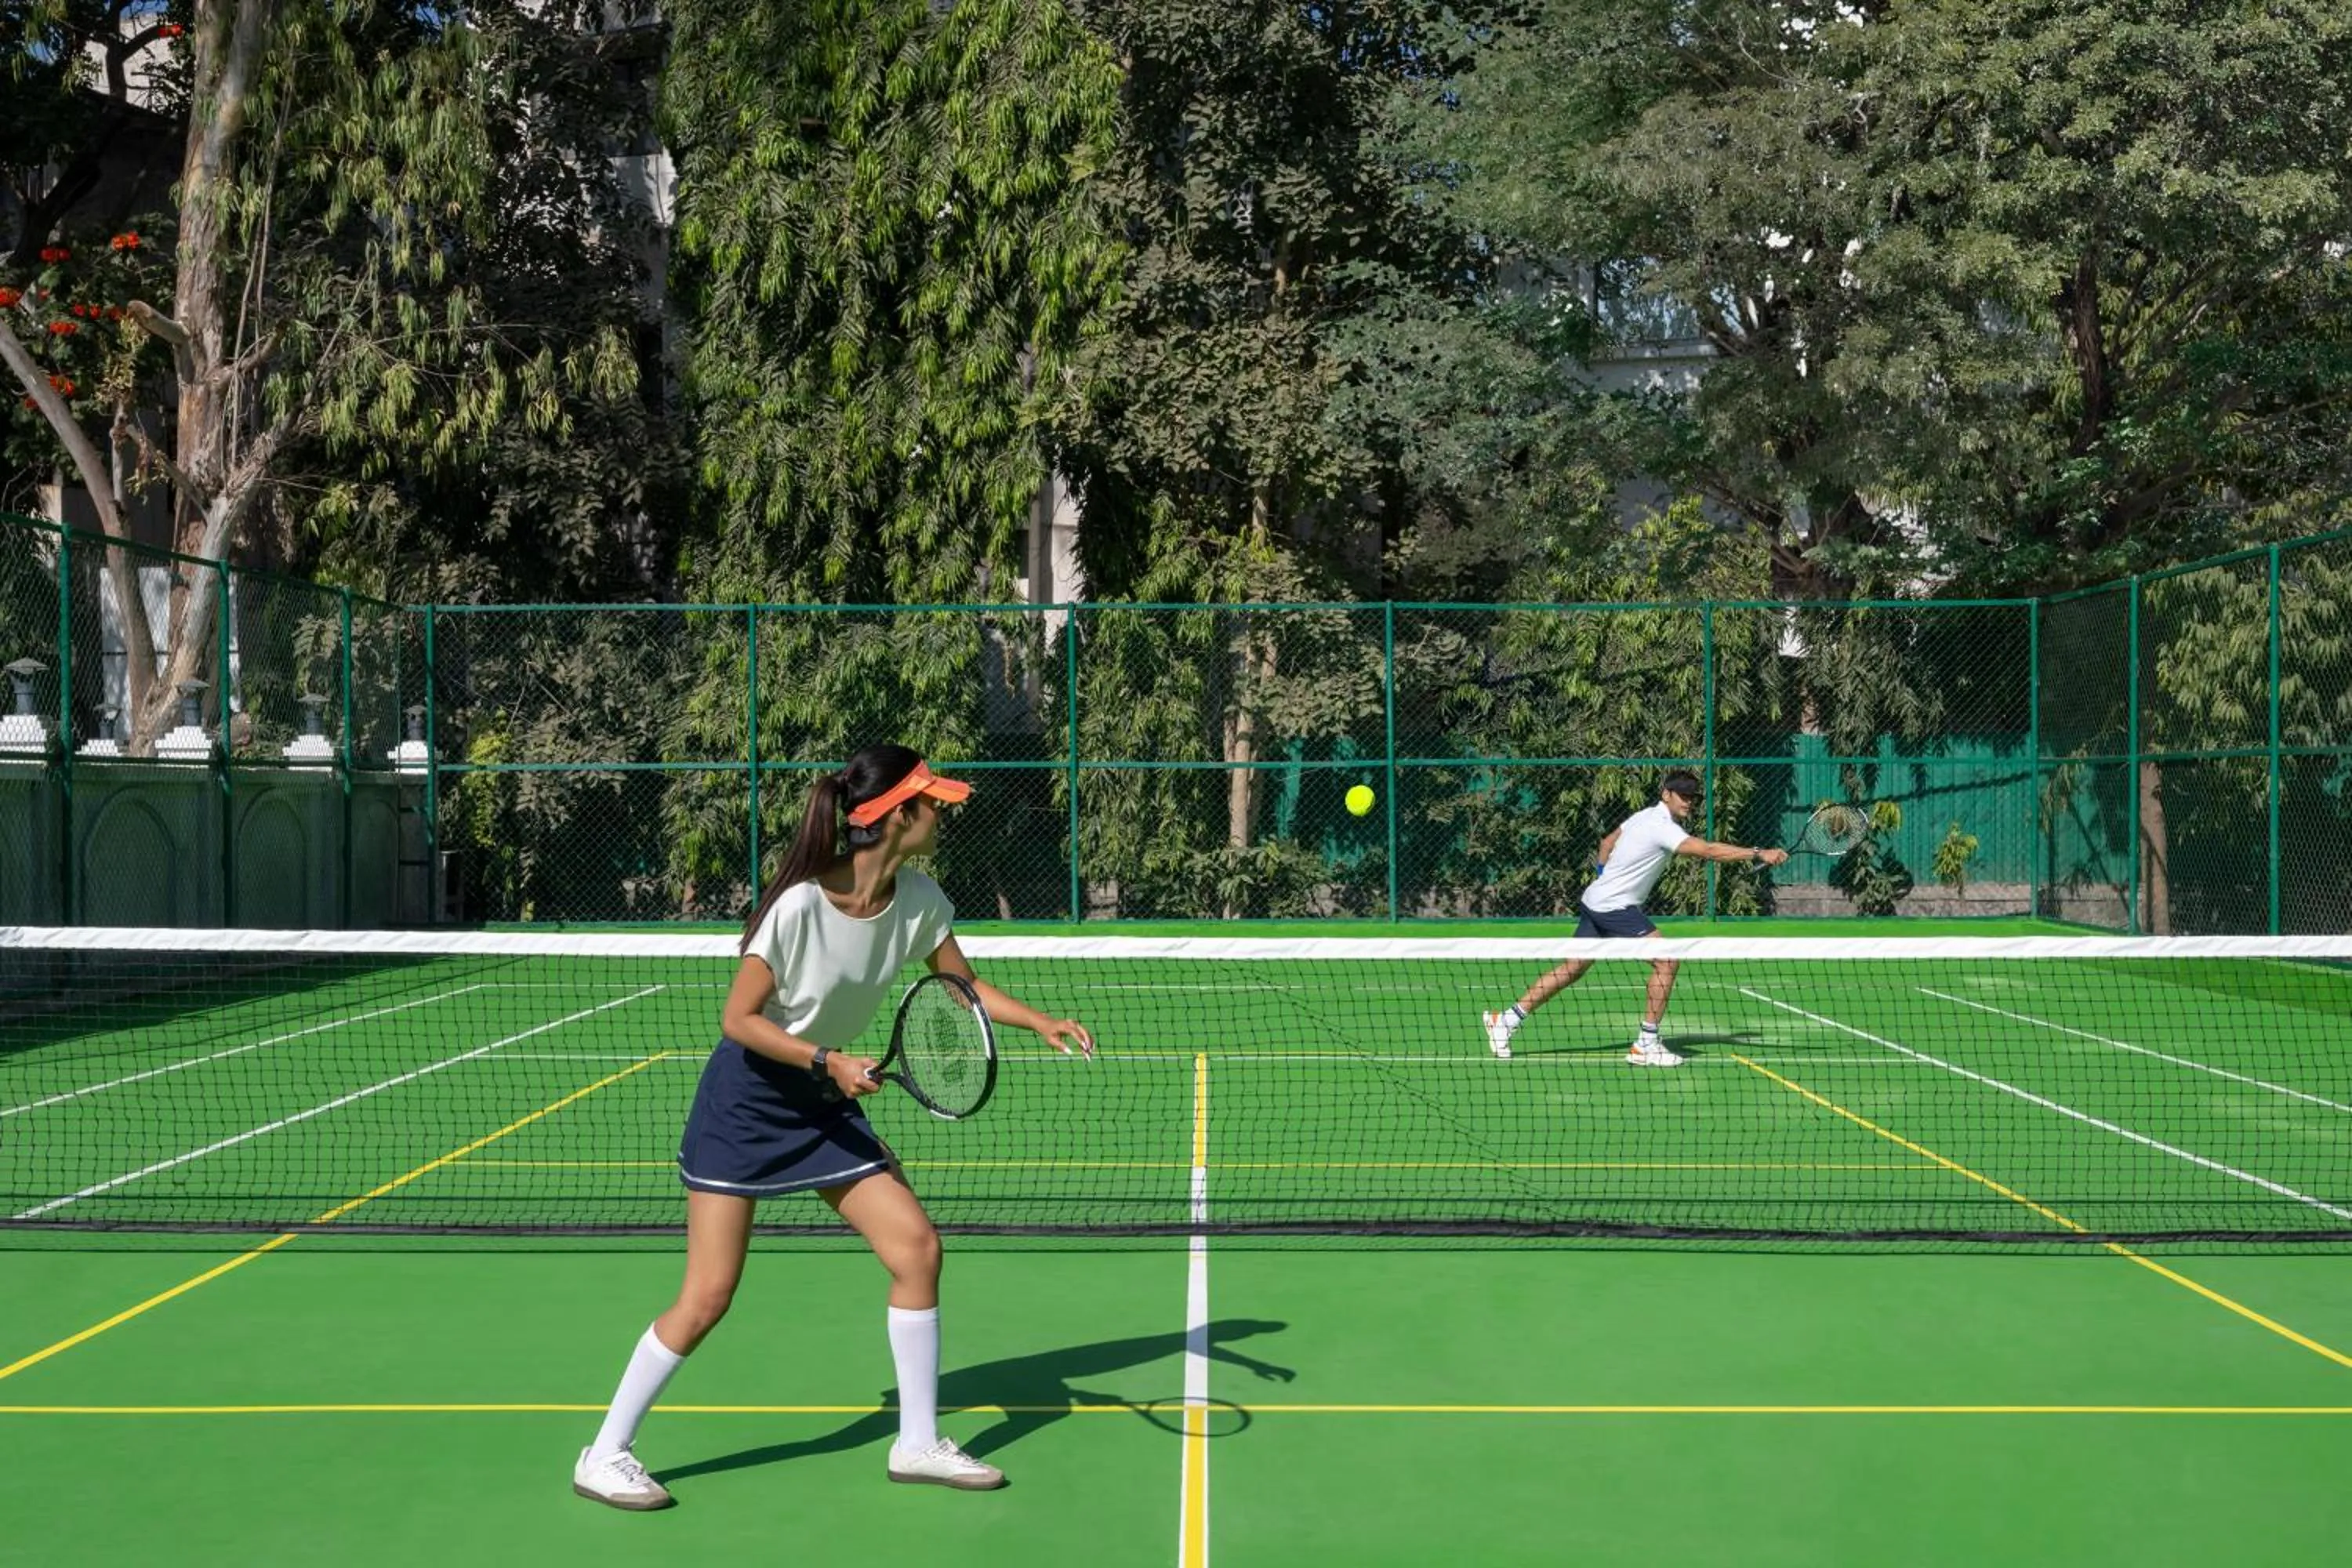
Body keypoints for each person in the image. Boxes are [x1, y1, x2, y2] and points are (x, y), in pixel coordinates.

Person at [573, 744, 1094, 1510]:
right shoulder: (798, 907)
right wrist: (826, 1057)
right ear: (893, 816)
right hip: (748, 1102)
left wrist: (1038, 1020)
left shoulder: (918, 898)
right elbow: (737, 1017)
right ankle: (606, 1449)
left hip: (825, 1098)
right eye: (931, 801)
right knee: (709, 1293)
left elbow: (961, 984)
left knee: (916, 1247)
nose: (943, 811)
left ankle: (917, 1441)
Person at [1481, 771, 1787, 1066]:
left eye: (1692, 797)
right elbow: (1706, 850)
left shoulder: (1642, 816)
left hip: (1596, 900)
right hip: (1615, 906)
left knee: (1572, 969)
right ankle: (1646, 1044)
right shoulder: (1662, 826)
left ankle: (1504, 1021)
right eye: (1682, 795)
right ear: (1666, 794)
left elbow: (1606, 844)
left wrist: (1605, 879)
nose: (1688, 802)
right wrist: (1758, 853)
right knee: (1667, 962)